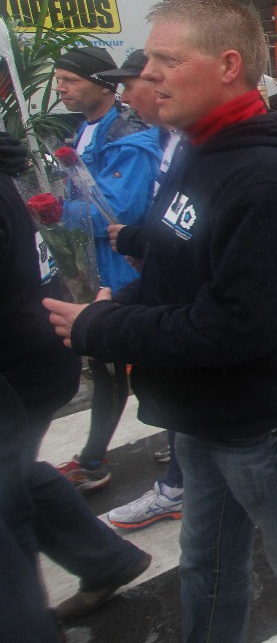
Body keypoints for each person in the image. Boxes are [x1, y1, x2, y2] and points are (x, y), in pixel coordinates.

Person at [43, 0, 277, 642]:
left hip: (260, 422)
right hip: (200, 412)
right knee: (207, 565)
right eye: (150, 60)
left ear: (227, 66)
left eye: (167, 59)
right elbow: (178, 266)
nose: (148, 74)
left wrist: (100, 327)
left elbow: (235, 324)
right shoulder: (201, 149)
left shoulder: (268, 174)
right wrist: (118, 304)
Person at [0, 132, 152, 630]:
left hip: (22, 363)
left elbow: (117, 210)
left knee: (7, 495)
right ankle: (105, 559)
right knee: (15, 473)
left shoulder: (130, 142)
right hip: (34, 351)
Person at [51, 46, 161, 492]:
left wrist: (55, 212)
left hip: (125, 270)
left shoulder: (128, 137)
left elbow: (119, 212)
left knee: (120, 365)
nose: (60, 88)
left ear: (103, 86)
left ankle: (95, 460)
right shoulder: (86, 129)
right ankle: (170, 438)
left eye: (70, 80)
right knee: (117, 365)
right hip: (98, 269)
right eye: (58, 79)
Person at [95, 51, 189, 530]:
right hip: (155, 279)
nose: (127, 97)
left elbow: (191, 232)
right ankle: (180, 477)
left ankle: (177, 485)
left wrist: (144, 244)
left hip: (181, 304)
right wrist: (143, 246)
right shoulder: (163, 139)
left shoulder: (194, 146)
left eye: (132, 85)